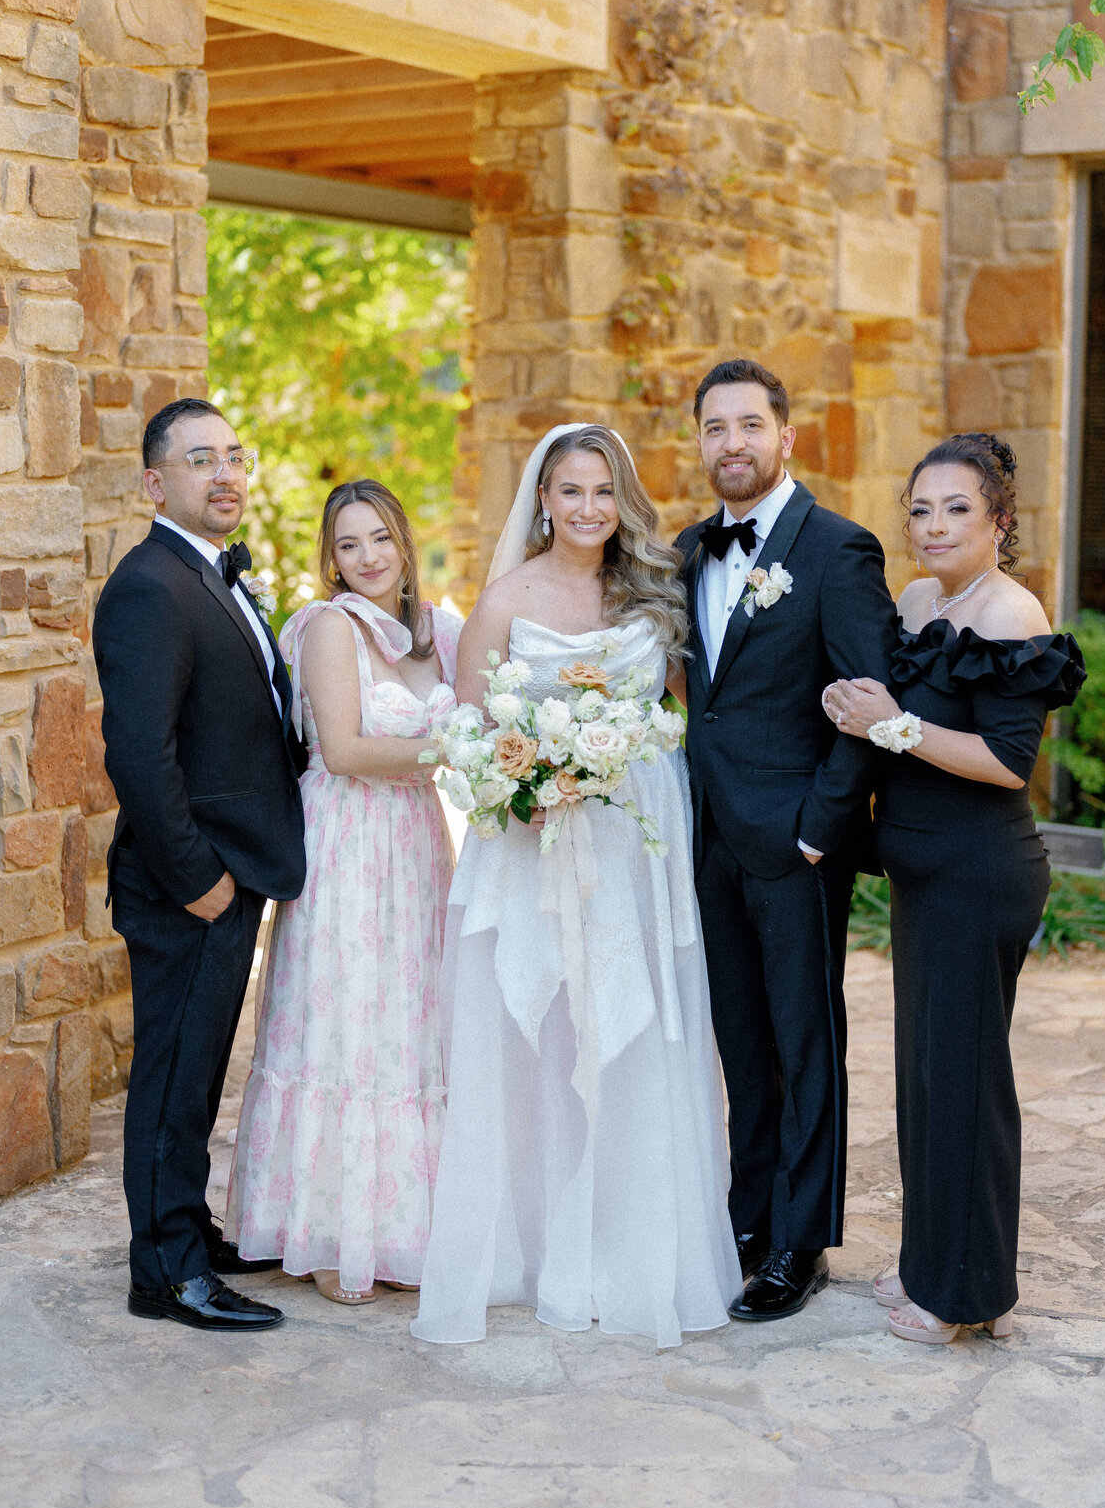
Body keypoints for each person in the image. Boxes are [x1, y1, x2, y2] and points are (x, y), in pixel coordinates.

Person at [411, 424, 740, 1348]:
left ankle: (635, 1247)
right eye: (570, 491)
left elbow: (678, 707)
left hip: (638, 842)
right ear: (543, 498)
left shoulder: (653, 591)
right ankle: (537, 1246)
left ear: (621, 497)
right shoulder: (507, 598)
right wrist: (530, 784)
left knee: (635, 1029)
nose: (588, 508)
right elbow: (467, 729)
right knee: (543, 1034)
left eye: (603, 490)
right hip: (536, 840)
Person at [822, 432, 1085, 1344]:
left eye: (957, 508)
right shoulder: (919, 597)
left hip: (981, 874)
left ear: (999, 522)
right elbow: (898, 715)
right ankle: (938, 1267)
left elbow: (1008, 762)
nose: (933, 526)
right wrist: (855, 711)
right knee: (929, 1082)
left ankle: (964, 1296)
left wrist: (892, 729)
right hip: (923, 876)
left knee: (966, 1086)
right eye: (921, 508)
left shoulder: (1011, 614)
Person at [677, 358, 899, 1322]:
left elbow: (870, 705)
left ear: (786, 438)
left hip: (798, 845)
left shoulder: (841, 551)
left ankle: (800, 1241)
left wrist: (821, 829)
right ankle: (751, 1215)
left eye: (750, 426)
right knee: (740, 1040)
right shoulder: (688, 551)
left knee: (806, 1043)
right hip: (711, 841)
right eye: (716, 428)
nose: (733, 444)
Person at [93, 398, 308, 1332]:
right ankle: (166, 1274)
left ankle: (186, 1225)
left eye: (233, 456)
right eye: (198, 460)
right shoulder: (149, 585)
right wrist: (200, 883)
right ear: (156, 483)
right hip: (189, 885)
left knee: (199, 1072)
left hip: (231, 875)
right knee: (174, 1074)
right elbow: (139, 756)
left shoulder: (211, 576)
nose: (224, 475)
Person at [225, 481, 460, 1305]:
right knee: (345, 1022)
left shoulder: (437, 634)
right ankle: (328, 1228)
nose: (367, 558)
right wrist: (453, 747)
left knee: (408, 1024)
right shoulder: (333, 628)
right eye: (349, 544)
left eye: (380, 538)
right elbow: (349, 750)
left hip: (416, 844)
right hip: (348, 843)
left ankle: (403, 1225)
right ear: (333, 556)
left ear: (405, 540)